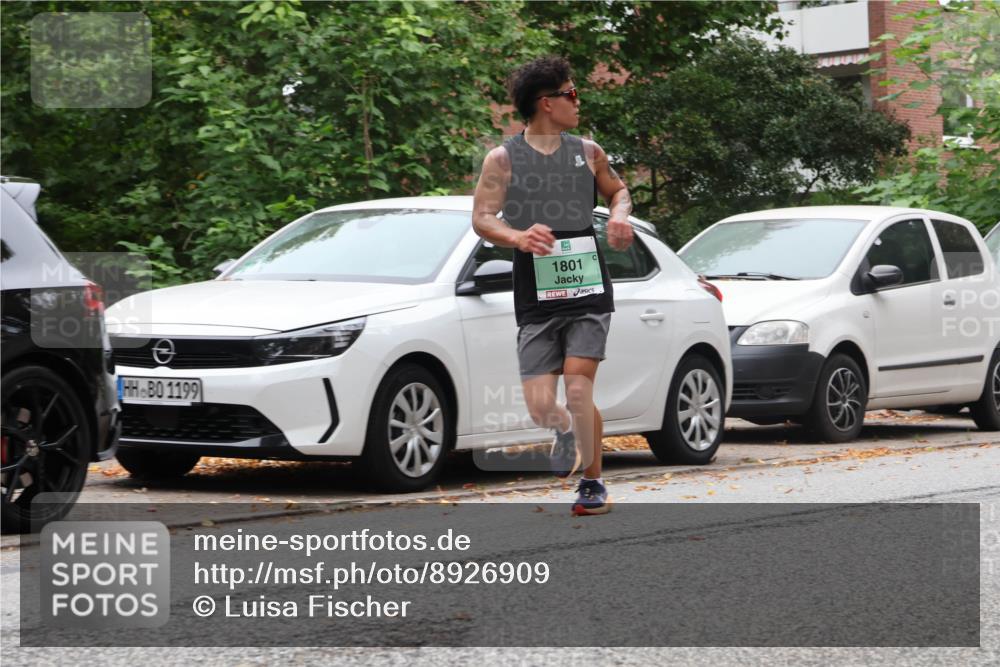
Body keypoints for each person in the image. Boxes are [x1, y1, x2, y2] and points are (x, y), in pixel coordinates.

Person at [471, 56, 633, 516]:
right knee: (541, 405)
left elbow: (617, 191)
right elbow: (482, 218)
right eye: (572, 94)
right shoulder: (502, 159)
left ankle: (593, 483)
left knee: (579, 388)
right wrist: (518, 236)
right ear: (547, 104)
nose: (578, 102)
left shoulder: (588, 151)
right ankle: (564, 431)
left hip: (587, 290)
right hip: (536, 294)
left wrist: (619, 216)